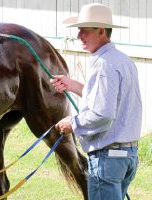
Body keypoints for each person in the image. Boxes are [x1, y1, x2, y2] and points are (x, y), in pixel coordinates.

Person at [51, 3, 142, 200]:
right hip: (127, 157)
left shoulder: (103, 65)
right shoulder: (122, 60)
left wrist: (72, 123)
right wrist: (72, 85)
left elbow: (103, 113)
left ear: (101, 31)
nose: (78, 36)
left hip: (107, 160)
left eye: (84, 31)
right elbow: (108, 100)